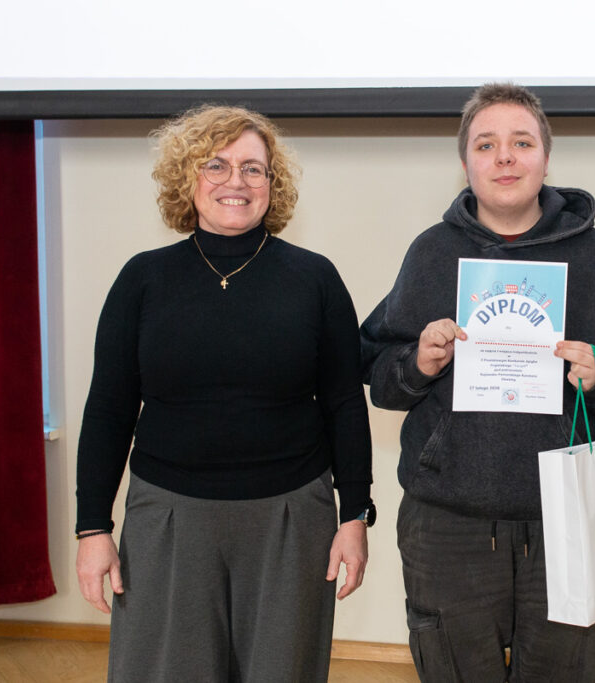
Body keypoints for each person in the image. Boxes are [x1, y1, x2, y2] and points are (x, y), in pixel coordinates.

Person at [361, 83, 595, 682]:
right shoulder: (433, 252)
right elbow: (379, 376)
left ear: (546, 158)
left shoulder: (590, 253)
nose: (504, 157)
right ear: (465, 162)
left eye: (521, 143)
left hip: (565, 519)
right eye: (485, 144)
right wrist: (418, 363)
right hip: (448, 522)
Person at [74, 104, 374, 682]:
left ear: (272, 183)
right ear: (187, 178)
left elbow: (343, 404)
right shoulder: (142, 279)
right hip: (168, 519)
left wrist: (355, 514)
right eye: (216, 165)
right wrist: (93, 529)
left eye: (253, 168)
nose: (236, 181)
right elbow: (109, 410)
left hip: (291, 519)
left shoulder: (315, 278)